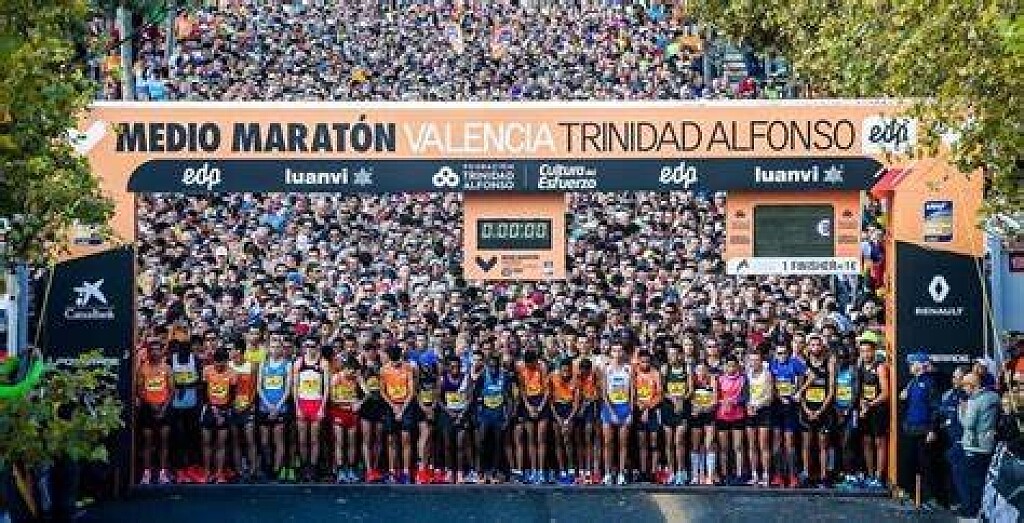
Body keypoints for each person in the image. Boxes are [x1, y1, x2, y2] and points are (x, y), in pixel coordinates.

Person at [900, 353, 941, 509]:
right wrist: (903, 397)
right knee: (910, 463)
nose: (910, 366)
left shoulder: (930, 383)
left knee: (926, 465)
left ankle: (930, 498)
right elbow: (908, 404)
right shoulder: (912, 382)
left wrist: (932, 429)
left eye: (912, 363)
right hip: (910, 430)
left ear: (921, 365)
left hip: (924, 430)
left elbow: (935, 408)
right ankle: (912, 495)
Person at [959, 371, 1001, 517]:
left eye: (965, 385)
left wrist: (961, 411)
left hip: (974, 445)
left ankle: (972, 511)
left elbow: (968, 424)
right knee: (983, 480)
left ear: (973, 385)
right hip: (988, 445)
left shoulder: (974, 401)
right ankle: (983, 511)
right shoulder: (995, 397)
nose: (963, 388)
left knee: (972, 481)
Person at [799, 334, 836, 488]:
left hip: (823, 410)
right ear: (808, 347)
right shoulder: (804, 363)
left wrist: (820, 410)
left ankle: (824, 476)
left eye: (818, 345)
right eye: (812, 345)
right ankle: (806, 475)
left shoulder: (829, 362)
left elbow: (832, 390)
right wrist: (806, 409)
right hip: (807, 409)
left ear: (822, 346)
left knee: (823, 445)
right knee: (806, 444)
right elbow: (800, 389)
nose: (815, 348)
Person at [136, 341, 174, 485]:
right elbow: (139, 390)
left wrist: (164, 407)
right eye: (152, 350)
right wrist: (150, 404)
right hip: (147, 409)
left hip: (164, 408)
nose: (155, 353)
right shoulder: (142, 368)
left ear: (161, 352)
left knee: (164, 442)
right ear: (148, 352)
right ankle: (146, 473)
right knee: (147, 442)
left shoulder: (167, 368)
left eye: (157, 350)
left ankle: (162, 473)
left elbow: (172, 390)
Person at [474, 353, 513, 484]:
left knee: (498, 444)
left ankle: (494, 472)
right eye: (490, 366)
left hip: (499, 415)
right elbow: (475, 397)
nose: (493, 369)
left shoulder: (505, 377)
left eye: (495, 367)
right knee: (482, 442)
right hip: (485, 415)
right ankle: (481, 473)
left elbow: (509, 399)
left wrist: (508, 418)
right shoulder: (482, 377)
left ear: (498, 366)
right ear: (487, 366)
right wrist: (477, 416)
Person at [769, 343, 805, 488]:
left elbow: (805, 379)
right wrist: (779, 397)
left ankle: (792, 476)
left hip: (791, 407)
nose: (781, 356)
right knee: (777, 441)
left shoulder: (795, 363)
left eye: (784, 353)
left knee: (789, 442)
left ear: (788, 353)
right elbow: (771, 385)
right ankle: (778, 475)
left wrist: (799, 392)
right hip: (777, 407)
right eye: (779, 353)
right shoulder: (772, 364)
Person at [292, 339, 327, 482]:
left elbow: (326, 388)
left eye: (312, 346)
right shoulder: (298, 363)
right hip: (302, 402)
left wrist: (322, 408)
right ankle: (304, 467)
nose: (309, 349)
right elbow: (295, 386)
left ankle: (313, 468)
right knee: (302, 439)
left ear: (317, 347)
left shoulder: (323, 363)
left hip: (316, 403)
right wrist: (297, 407)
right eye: (307, 346)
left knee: (314, 439)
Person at [257, 337, 291, 483]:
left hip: (280, 408)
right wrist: (268, 405)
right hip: (265, 407)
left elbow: (288, 389)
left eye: (278, 347)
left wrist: (277, 407)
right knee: (265, 442)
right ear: (268, 349)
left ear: (281, 349)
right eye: (272, 347)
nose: (275, 350)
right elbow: (259, 387)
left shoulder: (287, 364)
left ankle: (276, 470)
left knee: (278, 441)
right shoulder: (263, 364)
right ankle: (267, 467)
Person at [169, 337, 203, 484]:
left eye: (186, 349)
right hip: (175, 406)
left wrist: (187, 385)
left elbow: (201, 382)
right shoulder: (171, 360)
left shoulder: (196, 360)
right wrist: (179, 386)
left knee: (192, 437)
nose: (184, 352)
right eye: (181, 349)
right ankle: (178, 469)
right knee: (177, 438)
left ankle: (191, 468)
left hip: (192, 405)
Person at [857, 337, 889, 490]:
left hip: (877, 410)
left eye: (868, 351)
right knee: (866, 442)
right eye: (863, 351)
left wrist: (870, 404)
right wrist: (862, 403)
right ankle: (870, 475)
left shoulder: (880, 367)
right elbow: (858, 389)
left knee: (879, 443)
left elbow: (885, 393)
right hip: (865, 409)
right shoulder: (860, 367)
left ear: (874, 352)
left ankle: (878, 476)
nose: (865, 354)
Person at [381, 344, 416, 484]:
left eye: (397, 360)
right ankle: (392, 471)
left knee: (405, 438)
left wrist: (402, 409)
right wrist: (393, 406)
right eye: (393, 360)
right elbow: (382, 391)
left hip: (406, 405)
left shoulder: (408, 368)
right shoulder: (384, 369)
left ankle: (406, 472)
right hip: (391, 405)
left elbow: (412, 391)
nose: (395, 363)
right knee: (391, 439)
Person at [200, 348, 235, 484]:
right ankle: (207, 473)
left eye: (222, 364)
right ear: (214, 361)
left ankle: (219, 474)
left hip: (224, 410)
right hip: (209, 409)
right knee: (206, 443)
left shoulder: (232, 373)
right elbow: (203, 393)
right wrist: (213, 409)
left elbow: (232, 396)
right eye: (217, 363)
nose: (219, 366)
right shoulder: (207, 370)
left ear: (226, 362)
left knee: (221, 444)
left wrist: (222, 413)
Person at [515, 349, 550, 484]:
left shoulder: (542, 367)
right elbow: (522, 390)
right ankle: (533, 470)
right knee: (530, 439)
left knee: (541, 438)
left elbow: (547, 390)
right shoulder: (521, 368)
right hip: (528, 402)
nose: (530, 366)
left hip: (541, 401)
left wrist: (540, 407)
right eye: (527, 364)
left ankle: (541, 471)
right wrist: (528, 407)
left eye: (532, 364)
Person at [600, 340, 633, 486]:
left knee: (623, 443)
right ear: (611, 353)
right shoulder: (606, 369)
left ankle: (621, 474)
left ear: (623, 353)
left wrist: (630, 411)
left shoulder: (628, 368)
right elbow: (603, 393)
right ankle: (607, 473)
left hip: (624, 407)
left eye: (620, 351)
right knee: (608, 442)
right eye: (614, 351)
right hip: (609, 407)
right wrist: (611, 412)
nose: (617, 354)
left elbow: (632, 392)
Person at [328, 353, 362, 484]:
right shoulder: (336, 378)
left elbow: (368, 393)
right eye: (351, 371)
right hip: (338, 412)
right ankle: (341, 470)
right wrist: (350, 402)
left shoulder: (356, 378)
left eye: (355, 371)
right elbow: (332, 399)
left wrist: (360, 402)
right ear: (346, 368)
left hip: (352, 414)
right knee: (340, 442)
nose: (353, 373)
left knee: (352, 443)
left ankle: (351, 470)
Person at [662, 344, 692, 486]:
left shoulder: (687, 368)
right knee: (668, 442)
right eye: (669, 354)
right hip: (668, 407)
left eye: (674, 354)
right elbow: (662, 390)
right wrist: (672, 398)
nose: (671, 357)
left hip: (682, 407)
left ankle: (681, 471)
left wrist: (681, 399)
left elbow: (690, 390)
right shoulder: (665, 368)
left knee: (679, 441)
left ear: (680, 355)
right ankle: (671, 472)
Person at [438, 354, 471, 484]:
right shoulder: (442, 379)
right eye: (452, 367)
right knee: (447, 445)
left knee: (460, 445)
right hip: (448, 415)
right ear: (448, 367)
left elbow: (469, 398)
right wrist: (449, 412)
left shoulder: (465, 378)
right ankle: (449, 471)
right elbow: (438, 399)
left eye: (457, 367)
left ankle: (460, 472)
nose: (455, 369)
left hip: (462, 414)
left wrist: (462, 414)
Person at [939, 366, 968, 512]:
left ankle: (964, 504)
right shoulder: (948, 394)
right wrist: (942, 423)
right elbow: (940, 413)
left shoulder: (969, 397)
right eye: (954, 377)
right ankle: (951, 501)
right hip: (946, 440)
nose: (955, 380)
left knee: (961, 475)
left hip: (961, 442)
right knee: (949, 474)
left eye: (959, 377)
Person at [228, 343, 258, 482]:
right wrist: (231, 405)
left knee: (250, 439)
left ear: (239, 350)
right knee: (235, 440)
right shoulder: (228, 366)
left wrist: (249, 405)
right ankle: (239, 470)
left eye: (231, 349)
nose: (229, 352)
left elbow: (254, 388)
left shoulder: (251, 366)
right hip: (232, 408)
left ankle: (253, 470)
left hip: (247, 407)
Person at [715, 355, 747, 485]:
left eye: (733, 365)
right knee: (724, 447)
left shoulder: (743, 379)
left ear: (737, 366)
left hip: (738, 415)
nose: (731, 368)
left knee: (738, 446)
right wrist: (724, 401)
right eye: (729, 365)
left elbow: (745, 397)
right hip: (722, 415)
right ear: (725, 366)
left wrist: (735, 401)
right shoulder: (719, 379)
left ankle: (739, 474)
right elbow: (715, 397)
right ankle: (724, 474)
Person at [633, 350, 663, 484]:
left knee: (654, 441)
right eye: (642, 362)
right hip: (638, 409)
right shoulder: (634, 372)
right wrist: (639, 405)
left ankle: (654, 471)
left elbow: (660, 394)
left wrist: (648, 407)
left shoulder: (655, 373)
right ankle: (643, 471)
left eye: (647, 362)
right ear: (638, 361)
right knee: (642, 442)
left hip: (653, 410)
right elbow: (632, 392)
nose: (645, 364)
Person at [358, 344, 386, 483]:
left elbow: (384, 386)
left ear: (376, 352)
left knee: (378, 439)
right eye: (367, 350)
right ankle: (369, 470)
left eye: (373, 350)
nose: (370, 353)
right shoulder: (360, 368)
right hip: (366, 406)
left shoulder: (382, 367)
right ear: (364, 352)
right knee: (367, 439)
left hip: (380, 405)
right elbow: (362, 386)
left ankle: (375, 468)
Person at [745, 349, 773, 487]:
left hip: (763, 411)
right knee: (752, 445)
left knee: (763, 445)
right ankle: (755, 475)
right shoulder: (747, 373)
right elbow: (745, 393)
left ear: (761, 361)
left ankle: (766, 475)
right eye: (752, 360)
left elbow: (769, 396)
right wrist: (748, 406)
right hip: (750, 411)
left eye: (757, 360)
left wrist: (757, 406)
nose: (754, 362)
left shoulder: (767, 374)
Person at [549, 357, 578, 486]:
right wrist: (558, 418)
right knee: (558, 441)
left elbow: (576, 404)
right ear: (560, 370)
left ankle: (571, 468)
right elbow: (550, 401)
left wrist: (568, 420)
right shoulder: (553, 378)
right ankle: (561, 470)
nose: (565, 373)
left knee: (567, 440)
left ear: (571, 370)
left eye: (568, 370)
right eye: (563, 370)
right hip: (557, 409)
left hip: (569, 410)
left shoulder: (575, 380)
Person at [690, 362, 718, 485]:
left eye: (703, 370)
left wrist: (705, 408)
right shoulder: (693, 381)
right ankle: (696, 475)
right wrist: (696, 408)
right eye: (698, 370)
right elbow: (690, 398)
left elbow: (715, 400)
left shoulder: (712, 380)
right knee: (696, 445)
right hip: (696, 415)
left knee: (709, 444)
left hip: (708, 414)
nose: (701, 373)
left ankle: (709, 475)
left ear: (707, 371)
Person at [574, 357, 601, 485]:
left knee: (592, 439)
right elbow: (576, 393)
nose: (584, 373)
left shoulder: (594, 376)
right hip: (579, 409)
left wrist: (589, 401)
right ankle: (582, 470)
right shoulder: (578, 377)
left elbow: (599, 394)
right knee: (581, 440)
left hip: (592, 409)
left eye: (586, 371)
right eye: (582, 370)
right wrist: (580, 407)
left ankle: (593, 471)